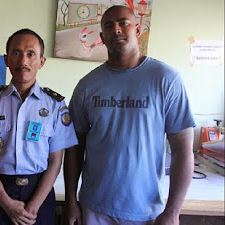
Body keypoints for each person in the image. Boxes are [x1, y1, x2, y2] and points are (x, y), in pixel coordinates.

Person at [65, 5, 195, 225]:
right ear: (102, 38)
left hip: (146, 212)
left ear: (137, 29)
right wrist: (70, 201)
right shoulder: (87, 86)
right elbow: (74, 148)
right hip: (94, 208)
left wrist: (173, 211)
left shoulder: (166, 79)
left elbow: (183, 150)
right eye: (108, 26)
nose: (116, 29)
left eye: (123, 23)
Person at [0, 28, 78, 225]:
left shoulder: (55, 105)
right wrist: (6, 203)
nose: (23, 61)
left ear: (41, 61)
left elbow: (56, 161)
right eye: (16, 53)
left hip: (40, 193)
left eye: (31, 54)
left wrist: (32, 207)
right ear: (6, 59)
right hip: (0, 192)